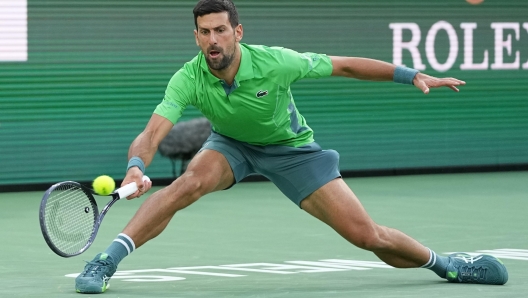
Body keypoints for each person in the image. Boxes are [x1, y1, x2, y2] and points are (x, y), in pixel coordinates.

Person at [74, 0, 508, 293]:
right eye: (204, 32)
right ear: (196, 37)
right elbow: (153, 133)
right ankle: (105, 262)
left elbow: (345, 66)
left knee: (366, 236)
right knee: (187, 184)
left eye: (221, 30)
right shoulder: (188, 75)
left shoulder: (276, 62)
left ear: (237, 32)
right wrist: (135, 166)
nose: (213, 40)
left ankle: (448, 264)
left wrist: (410, 74)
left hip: (292, 150)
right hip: (233, 145)